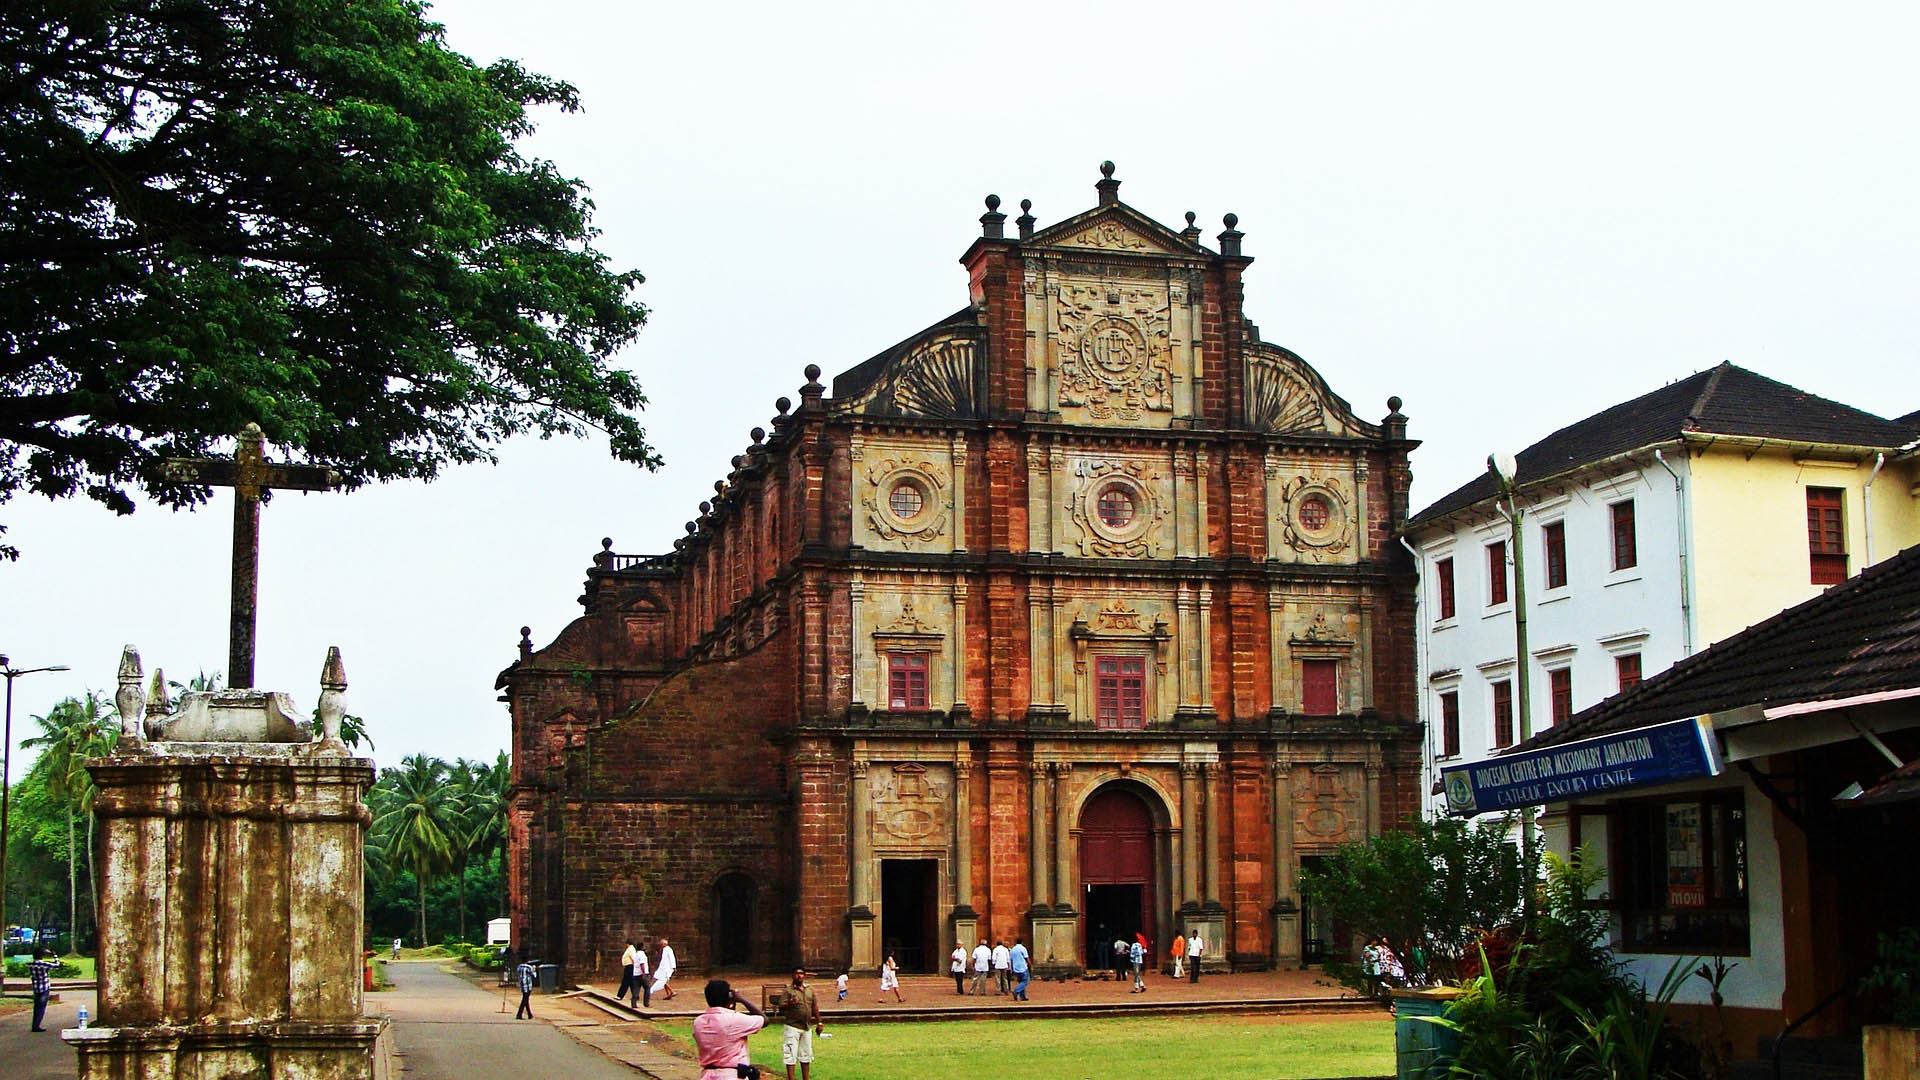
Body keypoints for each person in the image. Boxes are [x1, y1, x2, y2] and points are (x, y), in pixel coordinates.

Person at [693, 978, 765, 1080]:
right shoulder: (733, 1020)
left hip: (707, 1074)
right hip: (731, 1074)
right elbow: (764, 1020)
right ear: (728, 997)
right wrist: (741, 999)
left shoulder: (698, 1022)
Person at [778, 968, 824, 1080]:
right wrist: (789, 1003)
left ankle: (806, 1078)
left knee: (806, 1054)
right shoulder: (788, 991)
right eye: (797, 974)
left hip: (807, 1026)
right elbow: (781, 1008)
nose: (799, 976)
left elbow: (814, 1006)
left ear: (804, 975)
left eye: (801, 974)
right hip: (792, 1026)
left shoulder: (809, 990)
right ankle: (791, 1077)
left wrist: (819, 1022)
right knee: (790, 1053)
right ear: (793, 976)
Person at [28, 946, 58, 1031]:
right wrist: (54, 956)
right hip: (44, 987)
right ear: (42, 955)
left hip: (36, 987)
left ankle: (34, 1025)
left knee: (36, 1007)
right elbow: (57, 965)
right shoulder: (45, 964)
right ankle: (37, 1026)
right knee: (42, 1007)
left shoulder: (31, 965)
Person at [631, 937, 652, 1007]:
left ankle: (633, 1003)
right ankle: (646, 1003)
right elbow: (642, 964)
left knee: (636, 989)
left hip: (636, 973)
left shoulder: (635, 954)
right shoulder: (642, 954)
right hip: (642, 974)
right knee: (647, 988)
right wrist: (644, 973)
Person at [1009, 936, 1031, 1001]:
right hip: (1023, 967)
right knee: (1025, 981)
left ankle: (1022, 996)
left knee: (1021, 982)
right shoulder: (1023, 948)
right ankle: (1016, 991)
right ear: (1022, 942)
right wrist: (1030, 965)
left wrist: (1012, 968)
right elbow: (1026, 958)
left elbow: (1011, 960)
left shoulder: (1013, 949)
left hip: (1016, 968)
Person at [618, 938, 638, 1003]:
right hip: (629, 966)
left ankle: (620, 995)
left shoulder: (631, 949)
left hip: (630, 966)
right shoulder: (630, 949)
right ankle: (635, 995)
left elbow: (634, 958)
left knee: (625, 981)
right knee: (631, 983)